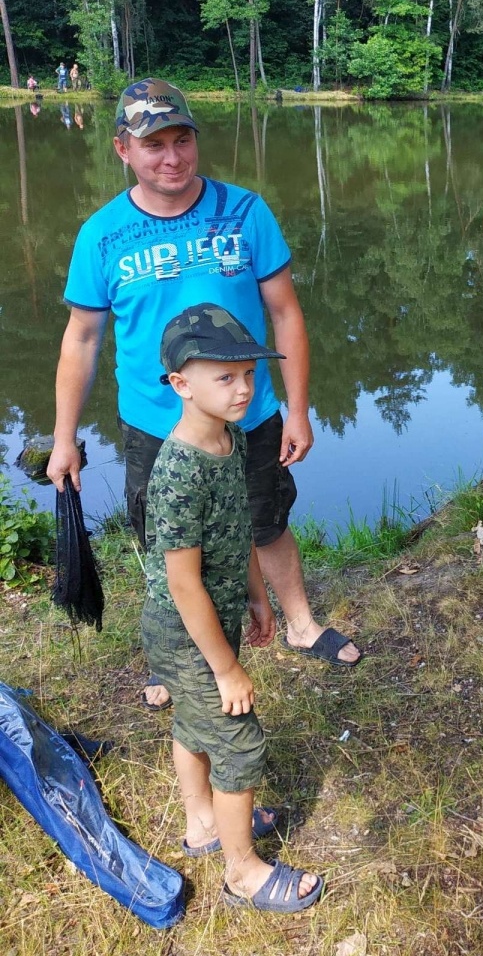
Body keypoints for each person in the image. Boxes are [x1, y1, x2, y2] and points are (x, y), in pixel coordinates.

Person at [47, 77, 361, 712]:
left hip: (251, 411)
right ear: (122, 151)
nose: (172, 156)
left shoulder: (246, 212)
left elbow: (287, 314)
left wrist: (298, 407)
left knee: (267, 519)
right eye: (153, 144)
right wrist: (63, 439)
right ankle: (173, 656)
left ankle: (299, 624)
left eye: (182, 139)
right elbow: (80, 340)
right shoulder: (101, 235)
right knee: (167, 541)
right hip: (155, 424)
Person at [142, 302, 323, 912]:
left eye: (247, 373)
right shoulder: (176, 473)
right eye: (224, 376)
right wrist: (224, 668)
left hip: (216, 617)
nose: (243, 387)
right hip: (184, 629)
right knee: (239, 741)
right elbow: (183, 584)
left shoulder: (234, 439)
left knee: (197, 725)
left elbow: (240, 525)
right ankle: (241, 871)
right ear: (180, 384)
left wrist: (257, 592)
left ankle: (204, 825)